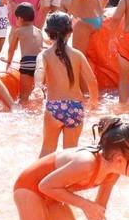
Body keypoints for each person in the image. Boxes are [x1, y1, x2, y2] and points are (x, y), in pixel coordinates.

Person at [37, 13, 99, 156]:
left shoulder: (45, 55)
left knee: (47, 150)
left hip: (54, 107)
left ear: (47, 33)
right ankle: (68, 178)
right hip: (75, 107)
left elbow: (39, 70)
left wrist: (38, 85)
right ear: (70, 32)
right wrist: (93, 101)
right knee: (70, 153)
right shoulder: (77, 54)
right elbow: (92, 81)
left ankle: (39, 178)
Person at [5, 3, 44, 105]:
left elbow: (11, 49)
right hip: (40, 63)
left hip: (27, 63)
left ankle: (23, 109)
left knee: (24, 95)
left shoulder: (18, 31)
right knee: (39, 92)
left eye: (16, 18)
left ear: (20, 19)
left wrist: (8, 62)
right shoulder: (39, 31)